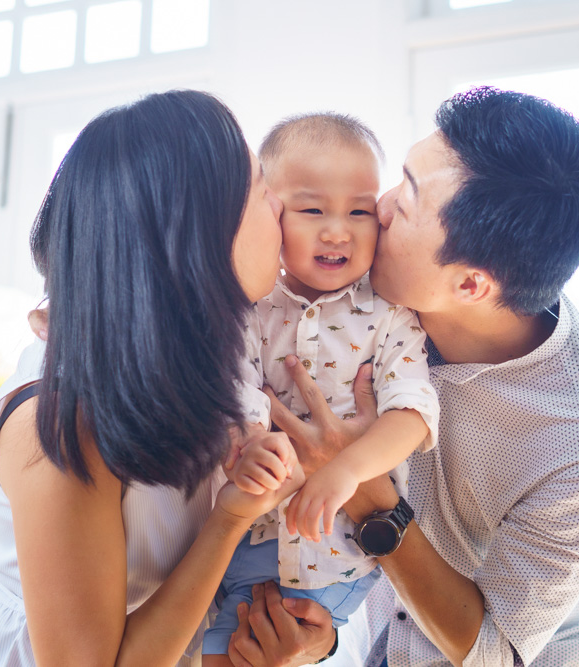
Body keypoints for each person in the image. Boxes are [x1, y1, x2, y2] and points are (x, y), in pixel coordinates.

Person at [225, 87, 579, 667]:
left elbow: (494, 654)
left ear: (470, 285)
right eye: (401, 178)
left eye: (408, 202)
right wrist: (327, 636)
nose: (380, 206)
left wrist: (367, 490)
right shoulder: (378, 284)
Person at [0, 90, 339, 667]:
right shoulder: (53, 421)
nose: (280, 206)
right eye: (258, 189)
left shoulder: (217, 362)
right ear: (197, 233)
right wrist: (232, 516)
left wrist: (311, 639)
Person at [202, 113, 440, 666]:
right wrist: (252, 437)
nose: (339, 230)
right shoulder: (251, 309)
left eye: (360, 210)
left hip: (336, 561)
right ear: (270, 213)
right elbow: (232, 383)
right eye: (312, 210)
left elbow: (413, 412)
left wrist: (347, 469)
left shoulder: (390, 315)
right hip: (245, 543)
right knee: (219, 652)